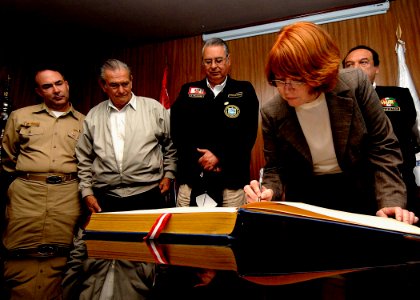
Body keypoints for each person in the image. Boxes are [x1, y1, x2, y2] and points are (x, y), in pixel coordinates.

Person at [243, 21, 418, 225]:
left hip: (362, 188)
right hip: (308, 199)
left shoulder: (355, 85)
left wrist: (390, 202)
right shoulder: (272, 112)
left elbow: (383, 146)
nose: (285, 89)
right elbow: (275, 168)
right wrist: (268, 192)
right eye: (279, 80)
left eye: (296, 79)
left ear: (318, 73)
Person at [1, 65, 85, 299]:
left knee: (63, 250)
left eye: (59, 84)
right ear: (39, 91)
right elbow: (8, 157)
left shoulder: (85, 122)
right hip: (27, 193)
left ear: (67, 84)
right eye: (47, 86)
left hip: (68, 193)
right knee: (20, 247)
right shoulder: (21, 116)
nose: (56, 90)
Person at [76, 58, 176, 213]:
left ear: (131, 81)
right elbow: (84, 157)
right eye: (114, 85)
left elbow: (171, 146)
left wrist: (169, 175)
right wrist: (86, 192)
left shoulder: (154, 109)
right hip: (106, 197)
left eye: (125, 84)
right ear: (103, 86)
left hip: (148, 193)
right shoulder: (93, 115)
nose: (121, 90)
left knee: (148, 238)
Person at [170, 38, 259, 207]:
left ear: (228, 60)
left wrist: (219, 156)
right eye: (208, 61)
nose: (213, 66)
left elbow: (247, 135)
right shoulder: (188, 91)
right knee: (188, 232)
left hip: (231, 185)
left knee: (229, 231)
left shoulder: (244, 90)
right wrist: (201, 159)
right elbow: (177, 133)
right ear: (202, 63)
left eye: (218, 60)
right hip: (191, 181)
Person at [342, 45, 420, 215]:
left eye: (363, 62)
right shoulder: (339, 104)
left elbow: (416, 135)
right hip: (355, 195)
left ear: (376, 68)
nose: (355, 69)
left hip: (400, 185)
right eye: (349, 65)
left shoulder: (399, 96)